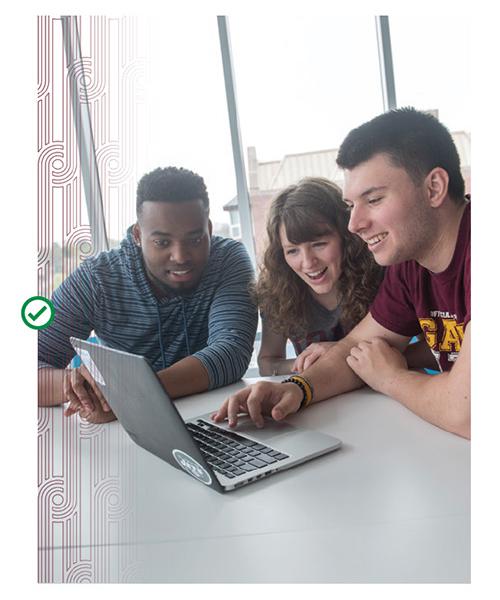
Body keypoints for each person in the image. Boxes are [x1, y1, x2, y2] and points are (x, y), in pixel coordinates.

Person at [213, 108, 471, 439]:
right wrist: (295, 389)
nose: (354, 224)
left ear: (434, 187)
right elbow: (357, 348)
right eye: (351, 206)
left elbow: (467, 413)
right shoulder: (409, 263)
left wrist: (389, 377)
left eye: (374, 199)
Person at [39, 166, 258, 423]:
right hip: (126, 433)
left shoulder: (228, 259)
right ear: (138, 235)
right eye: (162, 242)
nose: (181, 256)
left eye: (195, 239)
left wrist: (129, 396)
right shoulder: (96, 279)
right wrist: (77, 386)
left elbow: (231, 352)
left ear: (209, 230)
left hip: (215, 421)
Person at [255, 177, 383, 376]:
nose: (307, 263)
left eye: (319, 244)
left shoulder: (381, 275)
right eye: (292, 251)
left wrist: (340, 353)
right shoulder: (276, 291)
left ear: (346, 236)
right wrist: (307, 363)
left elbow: (428, 349)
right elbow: (267, 363)